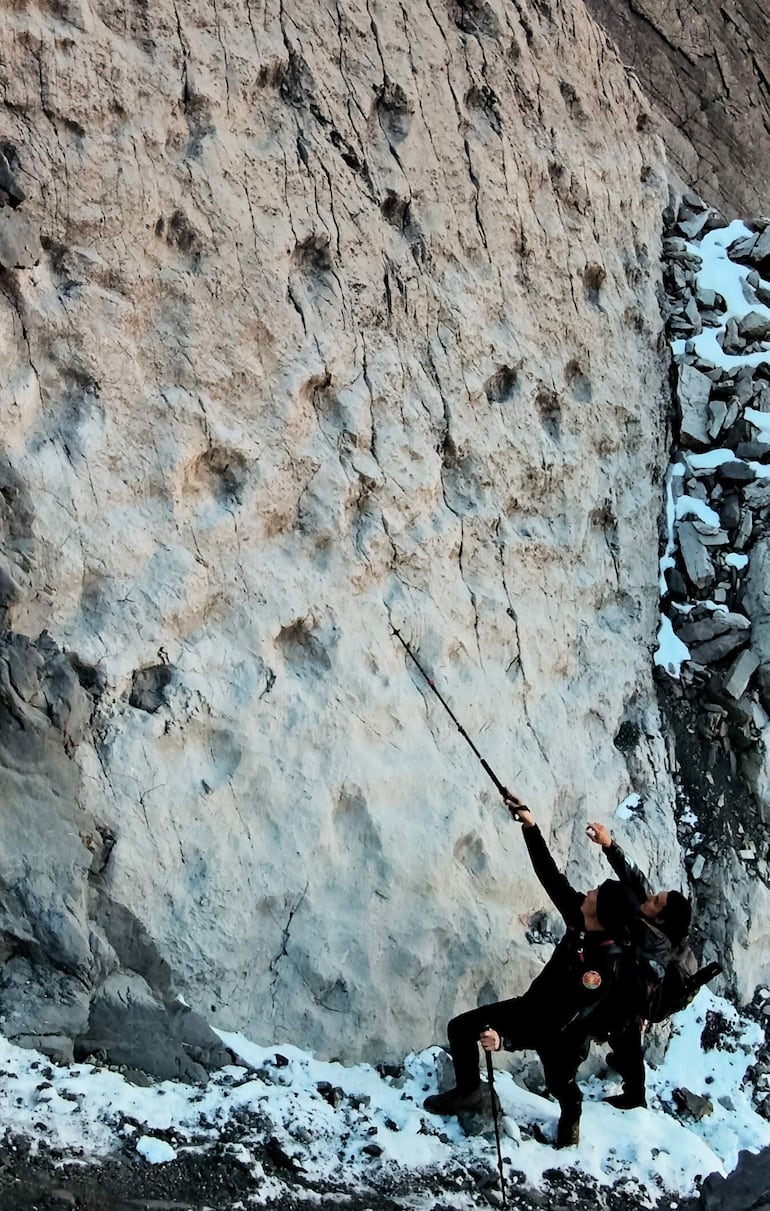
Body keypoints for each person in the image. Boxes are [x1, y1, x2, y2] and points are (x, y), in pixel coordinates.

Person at [424, 797, 642, 1148]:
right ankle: (467, 1092)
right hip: (534, 1006)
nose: (587, 891)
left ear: (600, 913)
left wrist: (506, 1040)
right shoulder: (583, 918)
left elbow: (552, 1023)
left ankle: (572, 1115)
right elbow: (551, 878)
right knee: (461, 1028)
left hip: (564, 1033)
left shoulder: (600, 972)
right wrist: (531, 827)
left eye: (595, 893)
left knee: (560, 1083)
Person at [586, 821, 694, 1110]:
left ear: (660, 919)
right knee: (624, 1029)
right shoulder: (655, 917)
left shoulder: (653, 940)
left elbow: (634, 902)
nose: (651, 897)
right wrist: (609, 844)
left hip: (644, 992)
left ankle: (634, 1094)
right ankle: (628, 1072)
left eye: (657, 901)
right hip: (639, 980)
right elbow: (638, 882)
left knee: (624, 1023)